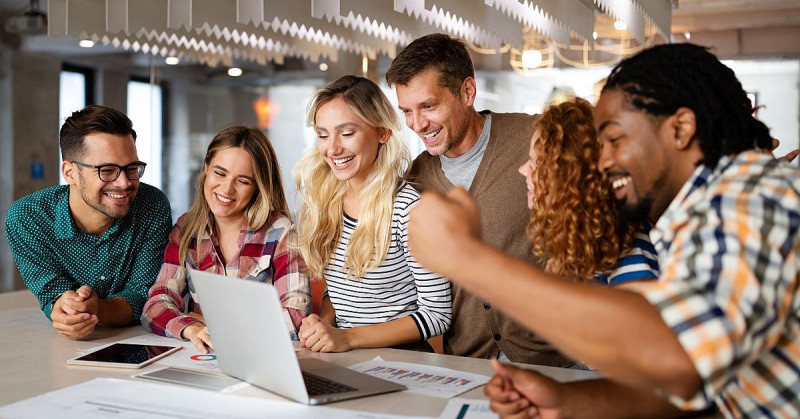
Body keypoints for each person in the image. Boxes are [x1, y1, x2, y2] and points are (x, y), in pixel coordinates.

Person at [408, 43, 800, 417]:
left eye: (614, 139)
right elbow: (694, 386)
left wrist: (468, 259)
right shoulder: (696, 216)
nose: (601, 161)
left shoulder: (750, 199)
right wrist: (566, 401)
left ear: (681, 129)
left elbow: (675, 359)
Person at [385, 33, 564, 365]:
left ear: (467, 91)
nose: (417, 124)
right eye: (407, 111)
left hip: (552, 360)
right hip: (469, 364)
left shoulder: (534, 140)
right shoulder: (416, 180)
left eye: (429, 106)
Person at [294, 75, 451, 353]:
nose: (332, 149)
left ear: (382, 132)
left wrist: (347, 338)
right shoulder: (327, 202)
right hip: (346, 359)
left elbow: (437, 315)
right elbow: (341, 293)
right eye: (323, 135)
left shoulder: (408, 210)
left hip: (401, 361)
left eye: (347, 133)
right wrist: (324, 324)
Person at [5, 105, 172, 339]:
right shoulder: (29, 218)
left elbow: (144, 295)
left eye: (132, 168)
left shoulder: (152, 205)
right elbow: (53, 295)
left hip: (141, 341)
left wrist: (98, 310)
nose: (124, 183)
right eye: (107, 170)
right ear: (70, 172)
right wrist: (67, 311)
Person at [141, 126, 311, 352]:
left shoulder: (280, 232)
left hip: (260, 358)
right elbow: (155, 305)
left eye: (243, 181)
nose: (227, 189)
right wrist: (190, 327)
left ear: (258, 187)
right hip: (202, 359)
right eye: (220, 173)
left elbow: (295, 317)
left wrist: (215, 325)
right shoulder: (187, 229)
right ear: (206, 168)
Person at [518, 97, 658, 286]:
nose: (522, 170)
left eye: (536, 165)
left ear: (570, 181)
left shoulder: (632, 256)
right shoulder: (583, 243)